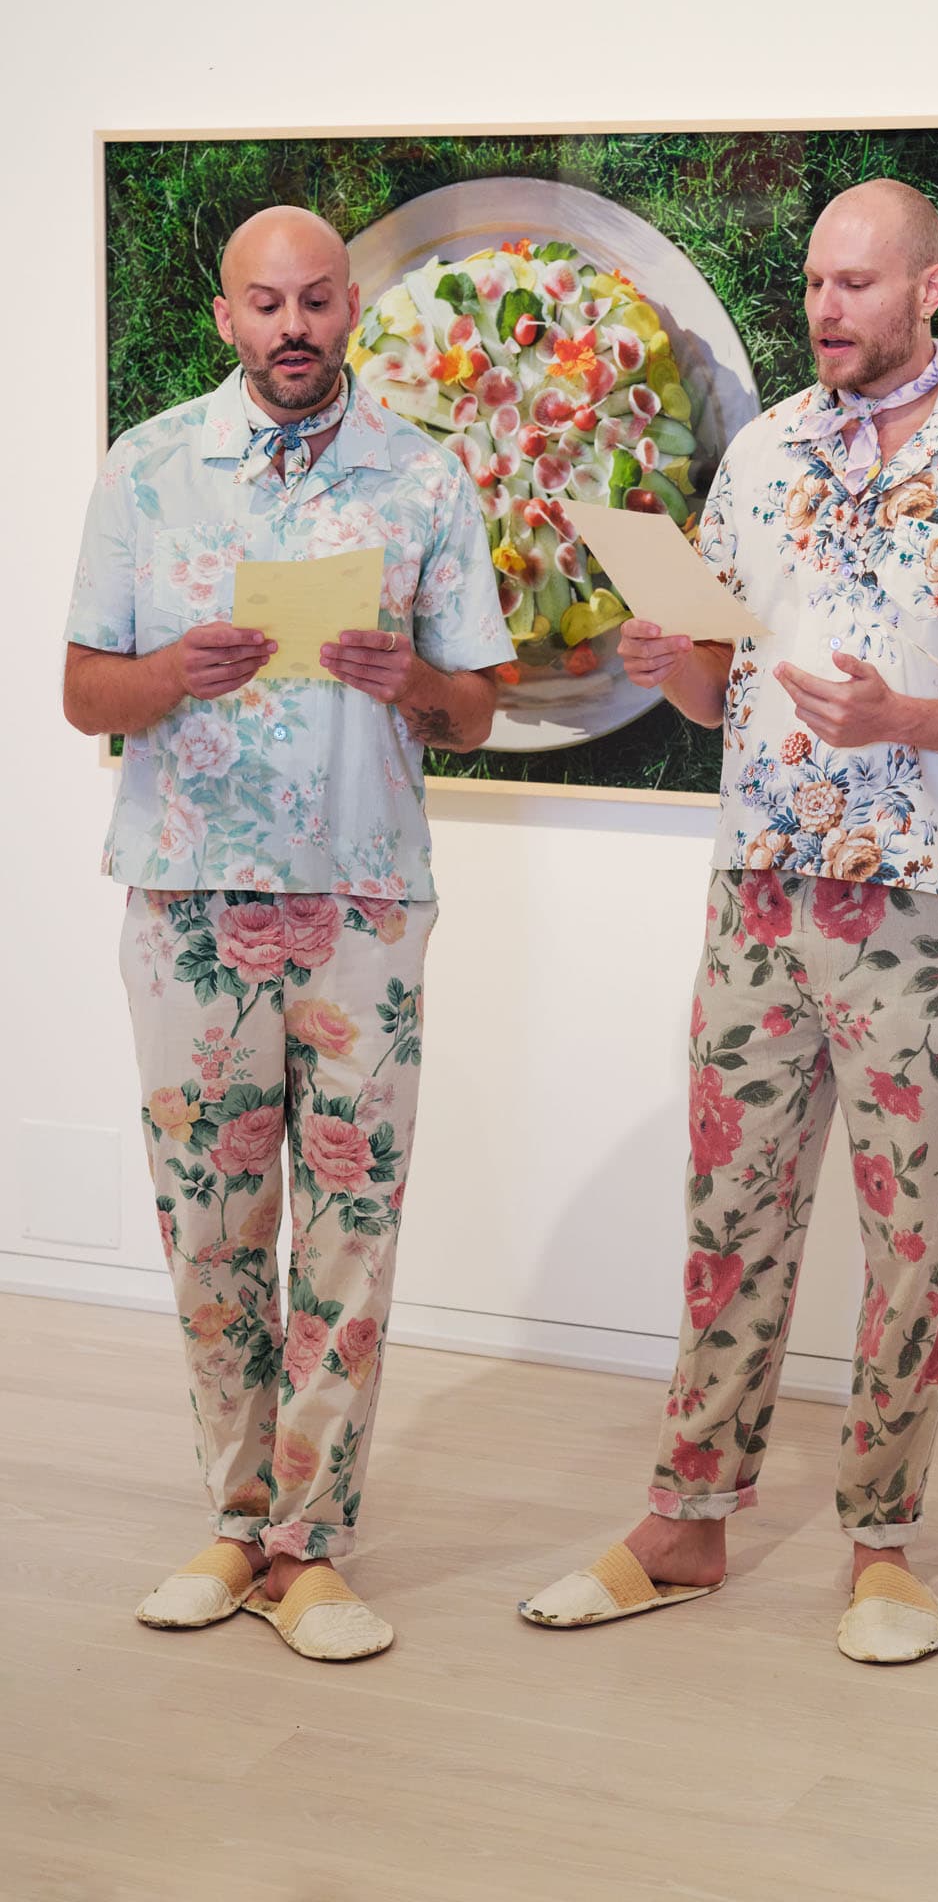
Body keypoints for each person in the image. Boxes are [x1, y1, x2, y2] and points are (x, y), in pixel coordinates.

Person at [520, 178, 938, 1662]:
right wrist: (666, 657)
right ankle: (686, 1522)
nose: (826, 309)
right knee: (730, 1216)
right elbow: (717, 692)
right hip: (758, 891)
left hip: (924, 901)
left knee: (909, 1233)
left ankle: (884, 1549)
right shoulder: (764, 452)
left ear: (931, 286)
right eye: (814, 283)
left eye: (857, 282)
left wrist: (909, 719)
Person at [63, 205, 508, 1661]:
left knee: (350, 1229)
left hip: (365, 898)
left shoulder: (423, 474)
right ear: (227, 317)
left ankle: (313, 1549)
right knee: (211, 1221)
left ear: (350, 309)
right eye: (267, 303)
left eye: (317, 299)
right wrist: (170, 674)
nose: (294, 326)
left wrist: (409, 681)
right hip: (187, 896)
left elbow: (476, 708)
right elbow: (81, 693)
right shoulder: (145, 470)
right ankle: (233, 1519)